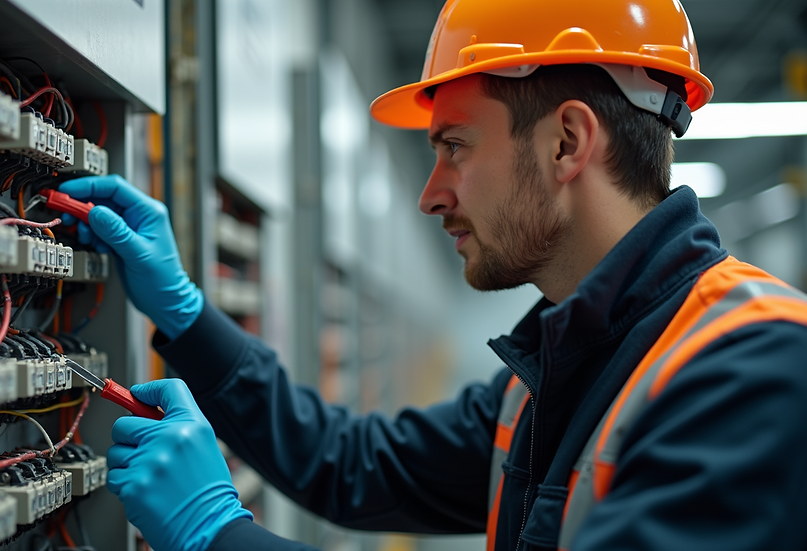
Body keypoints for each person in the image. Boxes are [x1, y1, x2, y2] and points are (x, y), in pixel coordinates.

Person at [60, 1, 807, 550]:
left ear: (566, 143)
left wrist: (218, 535)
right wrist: (189, 317)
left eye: (454, 146)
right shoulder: (557, 367)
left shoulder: (757, 371)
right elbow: (350, 464)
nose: (432, 193)